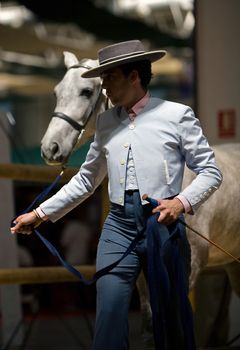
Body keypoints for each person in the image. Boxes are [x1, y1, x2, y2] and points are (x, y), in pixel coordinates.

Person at [11, 40, 222, 350]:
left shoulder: (177, 115)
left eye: (109, 76)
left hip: (161, 228)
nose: (103, 84)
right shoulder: (106, 122)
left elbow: (211, 172)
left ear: (133, 76)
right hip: (118, 228)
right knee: (108, 313)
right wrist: (40, 213)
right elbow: (86, 180)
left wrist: (180, 202)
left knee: (169, 320)